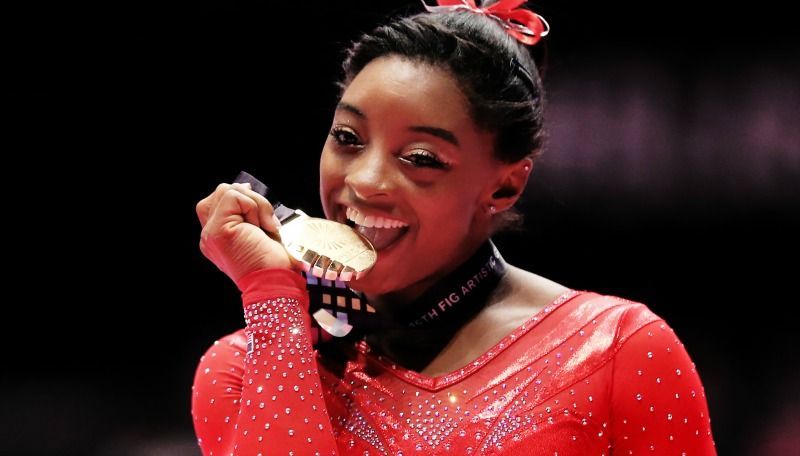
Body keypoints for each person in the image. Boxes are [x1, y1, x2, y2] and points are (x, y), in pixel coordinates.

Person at [191, 1, 716, 454]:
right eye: (348, 138)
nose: (366, 181)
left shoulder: (619, 352)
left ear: (504, 187)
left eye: (420, 158)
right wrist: (271, 296)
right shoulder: (242, 366)